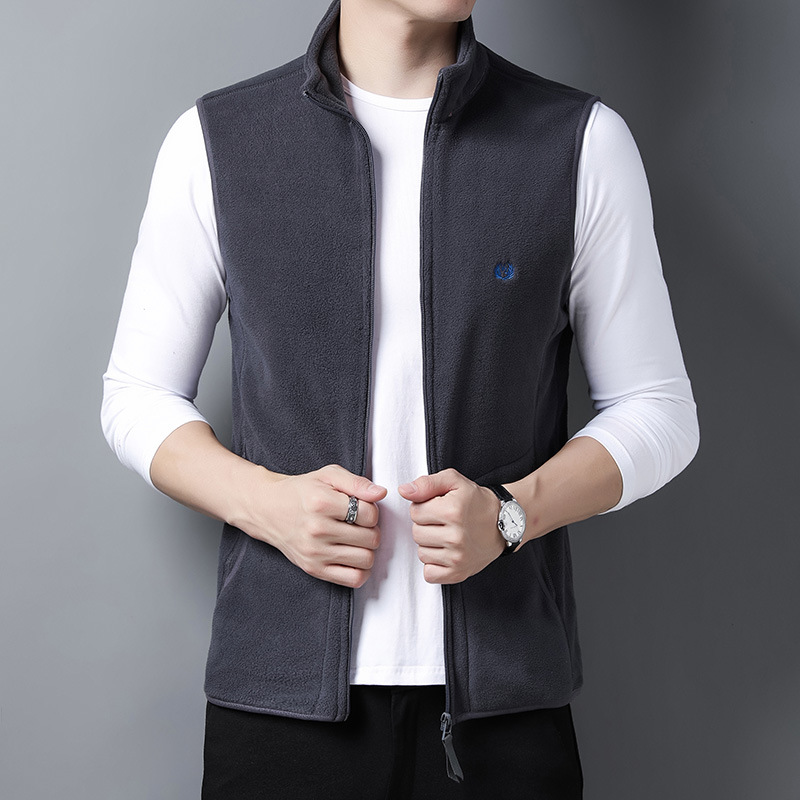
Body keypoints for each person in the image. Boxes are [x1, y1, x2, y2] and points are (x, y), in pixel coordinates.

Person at [101, 0, 699, 796]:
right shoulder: (220, 140)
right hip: (279, 707)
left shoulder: (577, 141)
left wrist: (512, 515)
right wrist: (267, 504)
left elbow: (659, 408)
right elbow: (137, 395)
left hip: (502, 711)